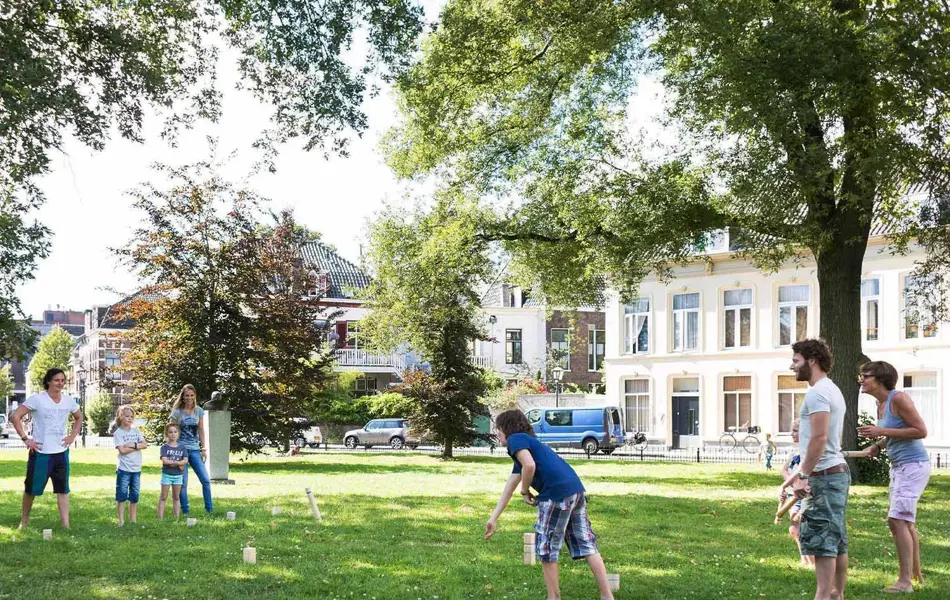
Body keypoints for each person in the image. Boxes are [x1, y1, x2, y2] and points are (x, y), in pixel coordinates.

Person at [485, 409, 614, 600]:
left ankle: (553, 598)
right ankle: (607, 596)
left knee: (546, 549)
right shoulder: (528, 445)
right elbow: (509, 486)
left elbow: (529, 466)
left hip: (555, 496)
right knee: (586, 544)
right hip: (576, 491)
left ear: (507, 428)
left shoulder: (516, 440)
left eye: (498, 428)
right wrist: (493, 518)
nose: (497, 433)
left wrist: (525, 490)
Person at [857, 360, 930, 593]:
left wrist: (882, 431)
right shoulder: (881, 403)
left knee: (897, 520)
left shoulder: (898, 398)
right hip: (899, 466)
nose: (861, 380)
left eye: (865, 376)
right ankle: (916, 575)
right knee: (905, 522)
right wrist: (879, 446)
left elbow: (921, 431)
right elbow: (895, 433)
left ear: (880, 379)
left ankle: (904, 582)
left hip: (913, 465)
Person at [784, 339, 848, 600]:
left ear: (812, 360)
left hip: (824, 476)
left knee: (823, 542)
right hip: (833, 473)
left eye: (796, 360)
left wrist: (803, 475)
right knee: (835, 539)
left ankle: (823, 596)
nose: (792, 366)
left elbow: (819, 438)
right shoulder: (831, 389)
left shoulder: (818, 393)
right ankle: (836, 594)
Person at [10, 368, 83, 529]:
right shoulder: (37, 399)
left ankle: (66, 525)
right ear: (48, 381)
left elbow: (79, 417)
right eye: (57, 380)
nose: (60, 383)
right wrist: (25, 439)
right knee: (31, 490)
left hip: (61, 453)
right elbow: (15, 416)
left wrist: (72, 436)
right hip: (40, 453)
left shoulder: (68, 401)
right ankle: (24, 520)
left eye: (63, 380)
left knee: (63, 490)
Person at [170, 384, 213, 514]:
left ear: (195, 396)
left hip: (194, 450)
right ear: (182, 397)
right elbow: (171, 431)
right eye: (187, 395)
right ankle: (185, 511)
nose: (189, 398)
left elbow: (201, 430)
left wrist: (203, 448)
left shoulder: (198, 411)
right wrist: (172, 449)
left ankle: (209, 509)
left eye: (192, 395)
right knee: (183, 483)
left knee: (205, 480)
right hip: (180, 451)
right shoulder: (177, 412)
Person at [777, 421, 813, 566]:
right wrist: (790, 483)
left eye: (796, 431)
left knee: (801, 522)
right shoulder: (794, 451)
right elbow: (784, 470)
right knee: (794, 527)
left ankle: (812, 561)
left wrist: (796, 483)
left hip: (805, 492)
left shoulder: (808, 451)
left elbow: (804, 471)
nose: (792, 434)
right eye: (792, 430)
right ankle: (804, 559)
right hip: (794, 492)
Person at [113, 405, 147, 526]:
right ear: (121, 417)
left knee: (134, 495)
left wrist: (132, 445)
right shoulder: (118, 433)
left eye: (132, 416)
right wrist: (136, 446)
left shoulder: (136, 431)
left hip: (136, 469)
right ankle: (121, 520)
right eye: (127, 416)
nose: (130, 418)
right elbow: (122, 451)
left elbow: (144, 444)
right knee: (121, 495)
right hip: (124, 469)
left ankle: (133, 520)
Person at [159, 422, 188, 520]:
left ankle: (176, 518)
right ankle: (160, 518)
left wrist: (176, 463)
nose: (173, 434)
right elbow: (165, 460)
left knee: (176, 497)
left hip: (178, 476)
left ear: (178, 433)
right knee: (163, 497)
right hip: (167, 475)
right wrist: (178, 463)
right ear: (167, 434)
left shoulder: (182, 447)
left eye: (175, 432)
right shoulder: (164, 447)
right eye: (170, 432)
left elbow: (185, 460)